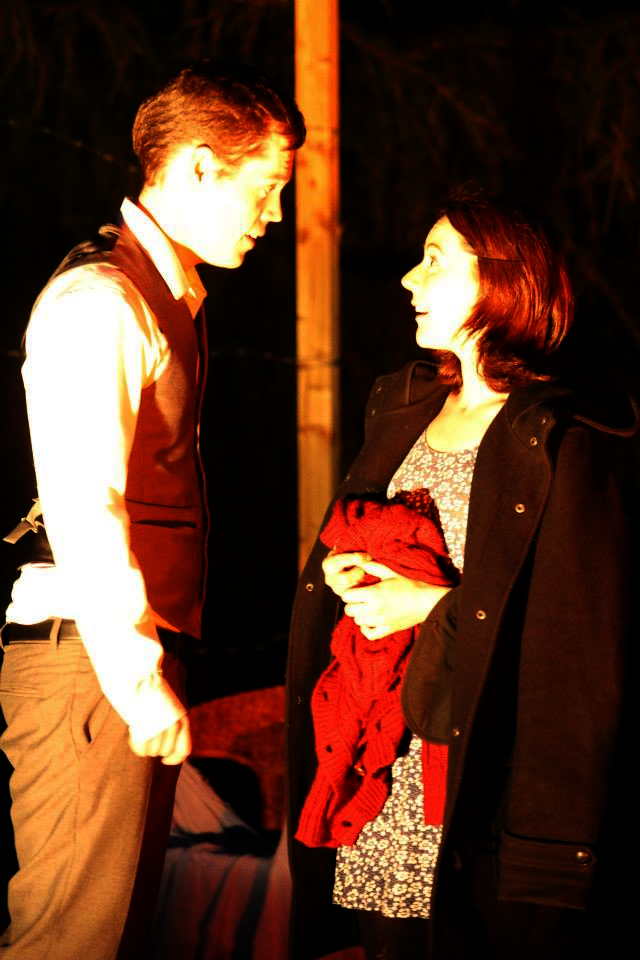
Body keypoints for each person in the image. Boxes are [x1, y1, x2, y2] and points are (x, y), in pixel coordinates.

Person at [0, 62, 304, 960]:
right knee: (71, 944)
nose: (274, 214)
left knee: (111, 937)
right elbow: (84, 506)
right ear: (201, 166)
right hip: (87, 662)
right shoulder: (101, 300)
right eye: (266, 186)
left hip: (109, 660)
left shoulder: (165, 296)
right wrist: (137, 682)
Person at [286, 191, 637, 959]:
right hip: (382, 765)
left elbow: (580, 631)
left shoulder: (563, 435)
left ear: (502, 281)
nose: (410, 279)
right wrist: (352, 571)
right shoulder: (406, 407)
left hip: (473, 783)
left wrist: (431, 603)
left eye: (435, 261)